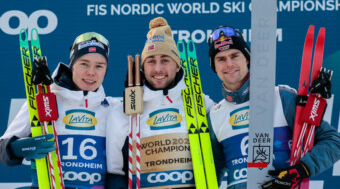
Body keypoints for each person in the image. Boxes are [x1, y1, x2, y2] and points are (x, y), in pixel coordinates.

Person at [206, 25, 340, 188]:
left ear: (247, 59)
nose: (229, 64)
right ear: (214, 66)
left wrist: (301, 170)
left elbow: (333, 141)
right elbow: (212, 175)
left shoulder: (281, 97)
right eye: (221, 59)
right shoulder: (215, 115)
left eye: (235, 55)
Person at [0, 32, 128, 189]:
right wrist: (17, 148)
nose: (91, 72)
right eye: (84, 64)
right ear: (72, 64)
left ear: (106, 70)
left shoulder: (113, 108)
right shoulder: (44, 100)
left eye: (99, 66)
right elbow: (2, 150)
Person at [125, 17, 215, 188]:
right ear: (143, 68)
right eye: (151, 61)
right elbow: (116, 170)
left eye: (165, 60)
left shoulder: (201, 103)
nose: (158, 68)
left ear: (177, 65)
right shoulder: (129, 108)